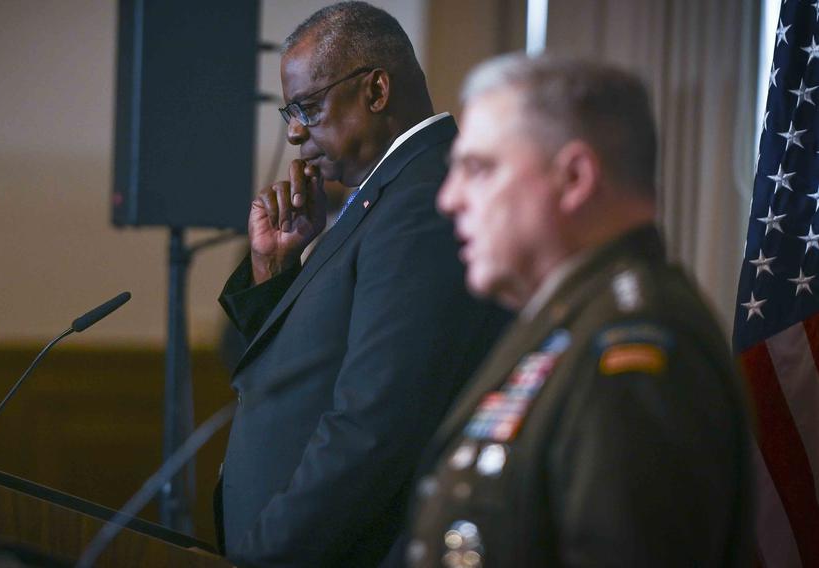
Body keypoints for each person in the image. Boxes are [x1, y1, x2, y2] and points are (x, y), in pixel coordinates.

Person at [406, 55, 753, 567]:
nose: (449, 198)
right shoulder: (564, 322)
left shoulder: (636, 352)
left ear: (574, 178)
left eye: (478, 169)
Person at [216, 3, 510, 565]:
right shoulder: (384, 197)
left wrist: (263, 555)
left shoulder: (422, 201)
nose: (296, 133)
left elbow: (372, 427)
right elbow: (307, 372)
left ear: (376, 91)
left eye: (308, 108)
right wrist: (275, 273)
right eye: (289, 113)